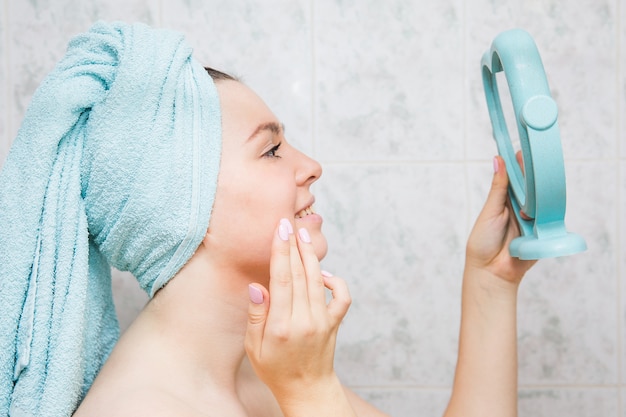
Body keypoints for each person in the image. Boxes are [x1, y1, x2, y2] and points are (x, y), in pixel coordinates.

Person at [0, 21, 535, 417]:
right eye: (272, 150)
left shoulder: (262, 373)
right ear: (183, 208)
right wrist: (311, 395)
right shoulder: (144, 409)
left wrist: (489, 281)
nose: (311, 166)